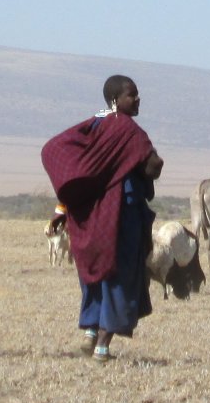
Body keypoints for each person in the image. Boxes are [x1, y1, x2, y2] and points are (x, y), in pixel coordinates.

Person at [40, 75, 163, 362]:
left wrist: (65, 204)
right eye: (132, 95)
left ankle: (90, 331)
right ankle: (103, 346)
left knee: (95, 270)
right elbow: (152, 166)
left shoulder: (90, 126)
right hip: (121, 212)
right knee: (120, 273)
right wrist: (152, 163)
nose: (137, 99)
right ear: (114, 100)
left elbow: (56, 152)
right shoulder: (127, 130)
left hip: (89, 215)